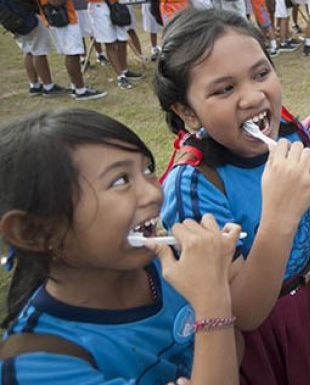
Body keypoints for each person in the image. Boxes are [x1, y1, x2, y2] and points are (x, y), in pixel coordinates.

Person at [155, 9, 310, 385]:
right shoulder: (193, 187)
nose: (253, 96)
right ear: (187, 112)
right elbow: (243, 312)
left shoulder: (289, 131)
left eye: (261, 73)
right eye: (224, 89)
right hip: (259, 332)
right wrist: (278, 217)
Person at [0, 108, 239, 383]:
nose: (153, 192)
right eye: (120, 180)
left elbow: (236, 349)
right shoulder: (39, 366)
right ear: (35, 231)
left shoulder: (174, 269)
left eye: (147, 170)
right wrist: (212, 304)